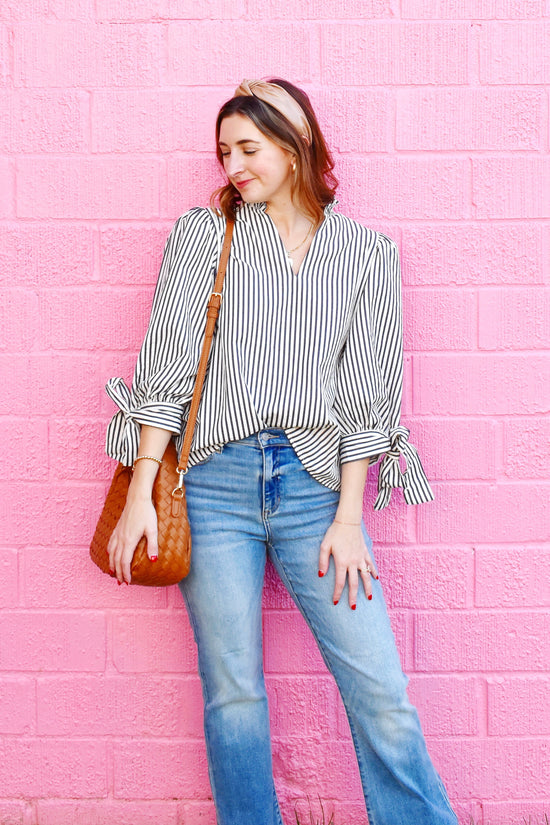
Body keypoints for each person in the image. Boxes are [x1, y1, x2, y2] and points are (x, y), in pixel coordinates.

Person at [105, 78, 458, 825]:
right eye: (224, 150)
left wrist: (349, 516)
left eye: (249, 147)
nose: (233, 165)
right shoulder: (205, 237)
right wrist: (141, 492)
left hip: (313, 490)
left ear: (296, 145)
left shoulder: (366, 254)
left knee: (382, 692)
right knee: (233, 690)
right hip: (212, 484)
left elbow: (369, 395)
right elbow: (165, 369)